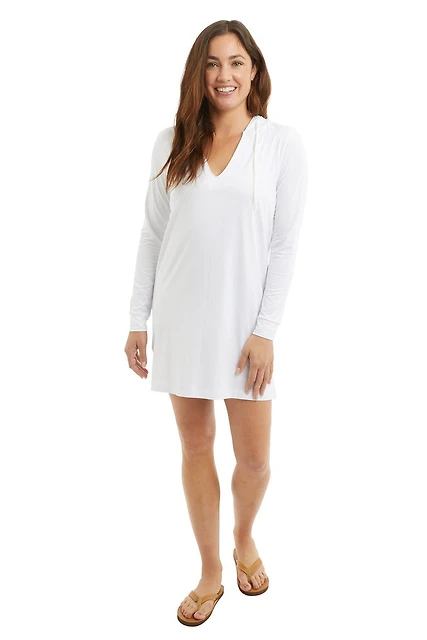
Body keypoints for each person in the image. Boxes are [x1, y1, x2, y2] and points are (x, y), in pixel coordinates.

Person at [124, 19, 308, 627]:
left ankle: (244, 536)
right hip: (181, 320)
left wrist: (266, 331)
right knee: (195, 446)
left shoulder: (280, 145)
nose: (223, 75)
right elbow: (153, 236)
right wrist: (137, 319)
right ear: (197, 74)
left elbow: (284, 246)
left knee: (255, 460)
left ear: (254, 71)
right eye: (211, 64)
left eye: (235, 63)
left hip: (246, 330)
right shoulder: (171, 142)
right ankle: (209, 571)